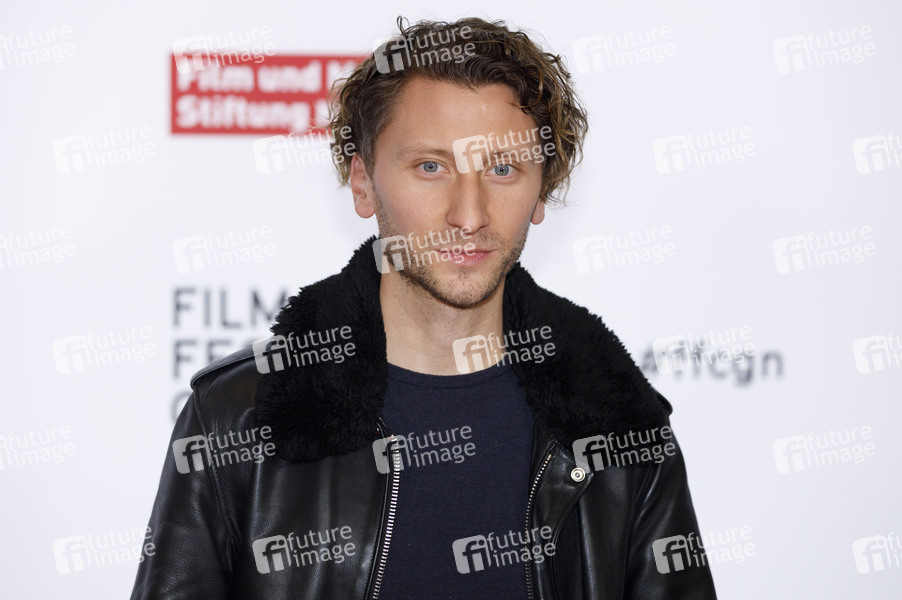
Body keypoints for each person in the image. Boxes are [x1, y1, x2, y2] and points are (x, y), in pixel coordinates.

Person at [132, 16, 717, 599]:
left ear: (541, 191)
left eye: (503, 169)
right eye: (431, 167)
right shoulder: (237, 416)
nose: (469, 215)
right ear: (363, 183)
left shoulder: (619, 425)